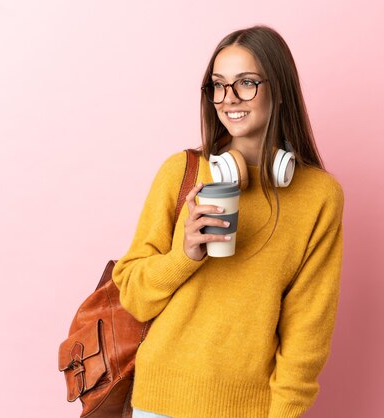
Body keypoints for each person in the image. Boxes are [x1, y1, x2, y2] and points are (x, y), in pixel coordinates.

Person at [112, 24, 344, 418]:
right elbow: (132, 296)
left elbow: (308, 331)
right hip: (158, 403)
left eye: (246, 83)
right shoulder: (181, 172)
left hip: (250, 410)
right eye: (218, 85)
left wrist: (283, 414)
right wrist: (184, 255)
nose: (228, 98)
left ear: (281, 90)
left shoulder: (319, 196)